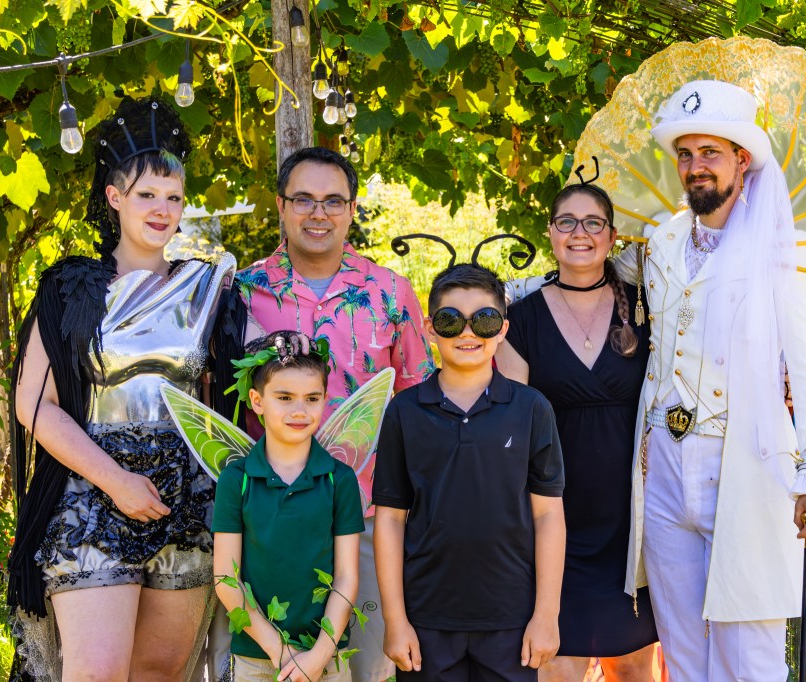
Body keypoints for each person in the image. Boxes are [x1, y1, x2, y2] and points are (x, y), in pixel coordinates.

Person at [622, 80, 806, 680]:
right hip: (663, 465)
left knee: (749, 657)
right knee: (682, 650)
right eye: (685, 154)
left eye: (711, 153)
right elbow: (585, 269)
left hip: (744, 464)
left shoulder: (785, 248)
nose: (695, 166)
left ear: (742, 160)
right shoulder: (662, 239)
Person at [7, 97, 236, 681]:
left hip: (186, 500)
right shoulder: (71, 287)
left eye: (173, 197)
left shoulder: (206, 287)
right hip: (93, 493)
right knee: (98, 673)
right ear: (114, 197)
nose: (162, 209)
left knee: (161, 673)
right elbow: (34, 406)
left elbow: (234, 392)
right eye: (146, 195)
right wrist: (116, 481)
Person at [233, 146, 434, 682]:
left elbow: (419, 402)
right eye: (303, 199)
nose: (317, 213)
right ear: (281, 205)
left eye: (333, 201)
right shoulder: (241, 293)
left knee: (365, 668)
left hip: (368, 513)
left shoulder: (390, 292)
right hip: (267, 519)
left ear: (351, 209)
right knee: (269, 666)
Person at [495, 183, 660, 681]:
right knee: (557, 666)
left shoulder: (647, 309)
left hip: (632, 520)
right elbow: (510, 427)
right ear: (550, 233)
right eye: (567, 221)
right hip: (554, 519)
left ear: (611, 236)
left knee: (632, 667)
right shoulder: (520, 319)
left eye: (593, 223)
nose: (579, 233)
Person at [373, 263, 566, 681]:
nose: (467, 332)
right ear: (430, 328)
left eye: (484, 320)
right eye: (450, 320)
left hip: (512, 620)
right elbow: (389, 519)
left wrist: (546, 615)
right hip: (426, 619)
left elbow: (549, 515)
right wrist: (395, 619)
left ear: (502, 329)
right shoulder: (404, 412)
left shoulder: (531, 408)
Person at [212, 331, 364, 682]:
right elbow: (226, 579)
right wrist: (280, 651)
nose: (300, 410)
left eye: (312, 398)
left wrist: (319, 655)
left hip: (327, 656)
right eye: (284, 397)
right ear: (257, 400)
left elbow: (346, 577)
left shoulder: (339, 479)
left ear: (324, 399)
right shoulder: (237, 479)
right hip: (256, 656)